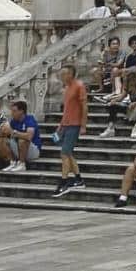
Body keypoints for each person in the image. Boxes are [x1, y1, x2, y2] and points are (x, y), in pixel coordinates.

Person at [53, 64, 87, 197]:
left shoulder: (79, 86)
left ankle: (64, 181)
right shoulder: (66, 88)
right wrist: (60, 125)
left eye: (64, 73)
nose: (62, 76)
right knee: (68, 153)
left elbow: (84, 107)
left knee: (64, 153)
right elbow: (67, 109)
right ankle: (78, 179)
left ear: (71, 74)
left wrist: (83, 125)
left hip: (74, 124)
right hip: (66, 124)